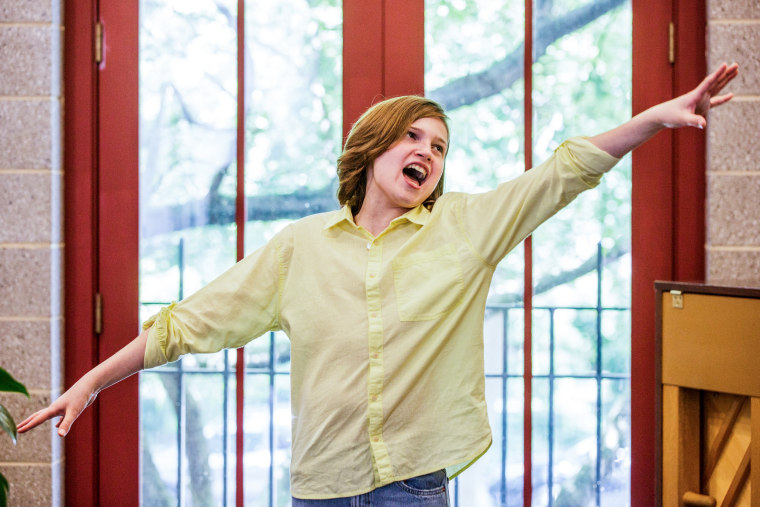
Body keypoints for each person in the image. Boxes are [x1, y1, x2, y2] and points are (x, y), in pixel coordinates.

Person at [18, 63, 738, 505]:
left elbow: (562, 173)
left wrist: (649, 121)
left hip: (416, 489)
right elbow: (189, 323)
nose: (427, 151)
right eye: (413, 137)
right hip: (320, 489)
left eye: (439, 147)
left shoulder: (466, 228)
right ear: (373, 150)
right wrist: (89, 383)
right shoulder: (299, 248)